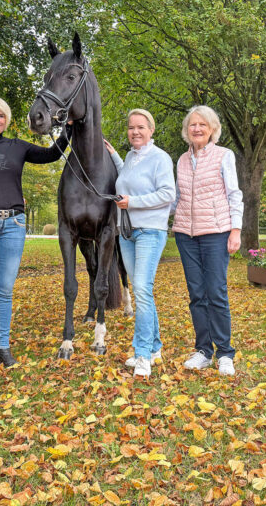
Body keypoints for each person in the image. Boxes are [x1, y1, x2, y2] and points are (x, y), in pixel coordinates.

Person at [0, 97, 71, 372]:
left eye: (1, 116)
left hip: (13, 225)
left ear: (7, 120)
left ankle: (3, 348)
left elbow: (51, 155)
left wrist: (67, 130)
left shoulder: (18, 147)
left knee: (5, 290)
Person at [172, 105, 243, 376]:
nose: (197, 129)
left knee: (216, 293)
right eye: (192, 125)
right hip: (186, 235)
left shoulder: (224, 156)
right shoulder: (180, 160)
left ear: (212, 129)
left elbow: (234, 194)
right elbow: (176, 199)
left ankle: (225, 352)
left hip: (216, 233)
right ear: (187, 130)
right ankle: (203, 350)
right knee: (196, 295)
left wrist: (235, 229)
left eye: (203, 124)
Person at [104, 109, 175, 378]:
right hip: (127, 232)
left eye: (141, 127)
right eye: (131, 127)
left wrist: (133, 203)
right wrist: (114, 156)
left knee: (143, 290)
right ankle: (155, 347)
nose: (135, 131)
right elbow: (128, 179)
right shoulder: (132, 158)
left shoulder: (160, 158)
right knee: (142, 289)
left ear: (151, 129)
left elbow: (168, 194)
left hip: (150, 231)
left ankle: (142, 353)